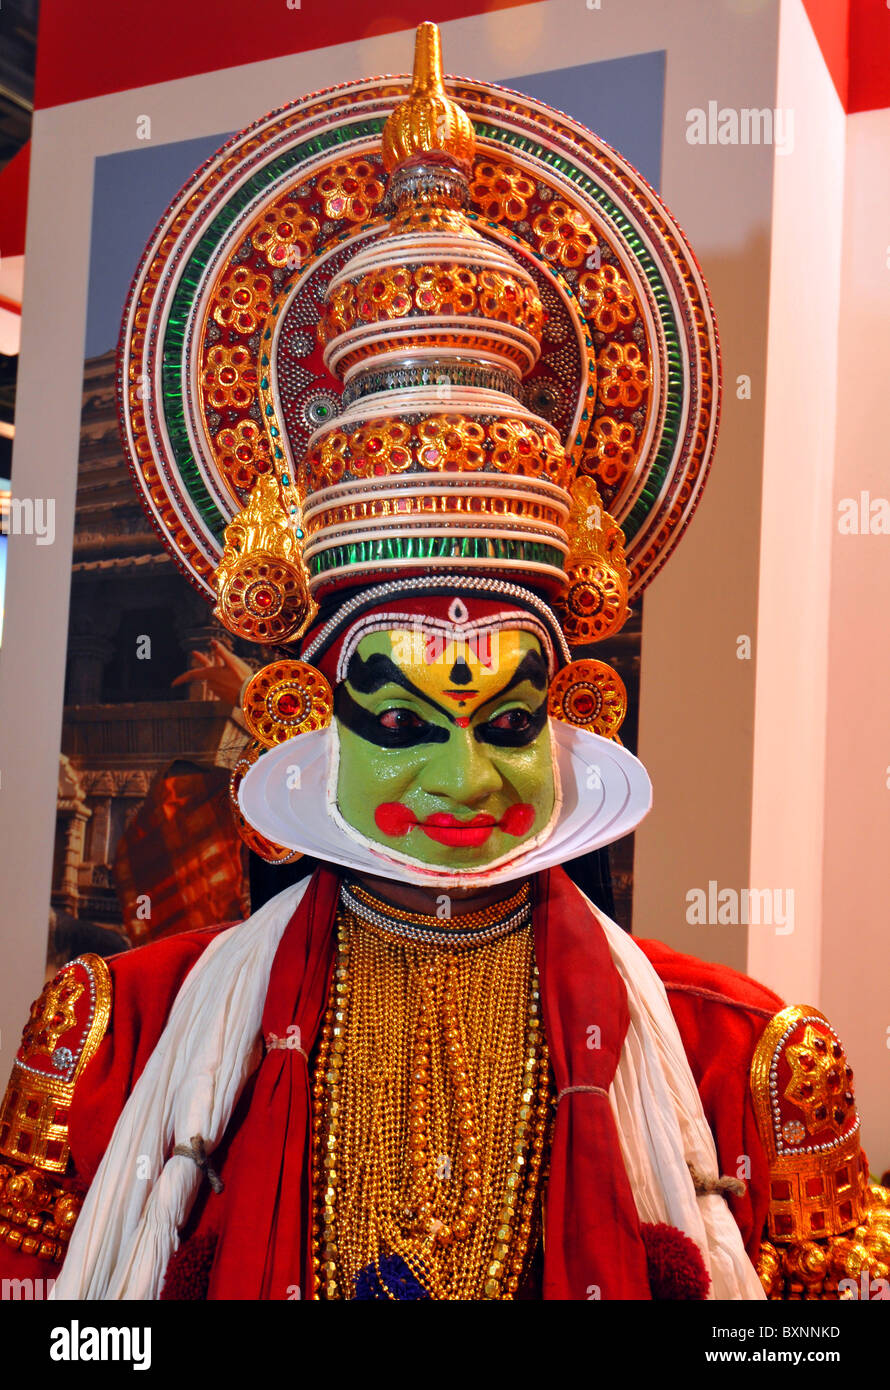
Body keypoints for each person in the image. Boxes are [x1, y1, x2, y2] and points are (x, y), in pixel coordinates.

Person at [0, 24, 886, 1301]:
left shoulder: (748, 1067)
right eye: (405, 721)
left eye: (507, 714)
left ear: (576, 709)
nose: (468, 778)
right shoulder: (112, 1040)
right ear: (305, 713)